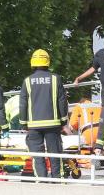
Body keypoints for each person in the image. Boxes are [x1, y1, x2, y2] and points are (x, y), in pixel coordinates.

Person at [20, 49, 69, 179]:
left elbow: (23, 103)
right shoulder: (55, 79)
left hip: (33, 125)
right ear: (47, 62)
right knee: (55, 154)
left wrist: (23, 123)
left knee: (38, 155)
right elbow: (62, 100)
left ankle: (41, 180)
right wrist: (63, 121)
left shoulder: (27, 81)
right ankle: (57, 178)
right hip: (53, 124)